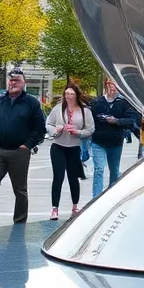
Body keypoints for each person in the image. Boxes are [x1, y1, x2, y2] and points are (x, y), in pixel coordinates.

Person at [0, 69, 45, 231]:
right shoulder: (0, 102)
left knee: (19, 190)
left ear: (23, 82)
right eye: (11, 81)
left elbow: (39, 128)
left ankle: (19, 222)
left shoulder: (31, 103)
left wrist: (27, 145)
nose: (13, 83)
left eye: (17, 80)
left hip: (19, 152)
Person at [47, 83, 94, 220]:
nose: (68, 97)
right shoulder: (58, 109)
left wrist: (77, 132)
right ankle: (55, 208)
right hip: (58, 146)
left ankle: (75, 205)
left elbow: (90, 129)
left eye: (71, 94)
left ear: (76, 95)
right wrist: (55, 130)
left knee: (73, 178)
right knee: (58, 177)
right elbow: (49, 124)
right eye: (66, 94)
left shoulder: (85, 111)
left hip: (74, 147)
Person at [89, 79, 139, 199]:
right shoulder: (97, 102)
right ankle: (96, 198)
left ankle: (112, 196)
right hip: (98, 140)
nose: (114, 88)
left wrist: (116, 121)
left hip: (115, 141)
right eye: (112, 85)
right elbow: (90, 120)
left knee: (114, 170)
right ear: (107, 85)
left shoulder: (124, 103)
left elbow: (132, 120)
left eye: (116, 86)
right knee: (99, 169)